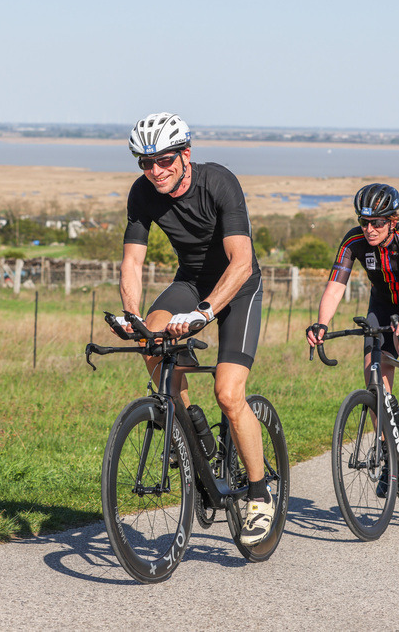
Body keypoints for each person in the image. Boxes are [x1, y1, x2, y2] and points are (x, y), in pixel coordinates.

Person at [117, 112, 271, 545]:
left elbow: (241, 261)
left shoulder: (218, 182)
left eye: (164, 160)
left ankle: (259, 495)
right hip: (191, 283)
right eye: (145, 163)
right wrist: (131, 316)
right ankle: (192, 434)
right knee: (151, 338)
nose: (155, 171)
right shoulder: (143, 192)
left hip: (239, 287)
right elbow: (132, 262)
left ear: (185, 154)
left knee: (228, 392)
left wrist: (205, 312)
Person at [306, 183, 399, 496]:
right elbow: (335, 288)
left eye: (377, 223)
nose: (369, 229)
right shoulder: (354, 241)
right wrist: (320, 323)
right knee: (373, 370)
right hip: (383, 303)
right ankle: (389, 452)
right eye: (364, 222)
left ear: (393, 221)